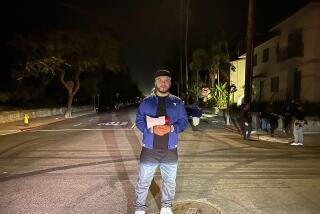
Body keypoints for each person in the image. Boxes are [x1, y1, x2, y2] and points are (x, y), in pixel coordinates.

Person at [135, 69, 188, 214]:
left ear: (170, 83)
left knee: (169, 182)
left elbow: (184, 122)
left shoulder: (178, 102)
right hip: (149, 149)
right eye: (160, 80)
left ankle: (166, 207)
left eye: (166, 80)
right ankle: (139, 208)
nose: (163, 83)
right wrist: (151, 130)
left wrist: (171, 128)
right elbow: (139, 120)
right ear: (155, 82)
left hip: (170, 149)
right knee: (144, 181)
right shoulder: (146, 103)